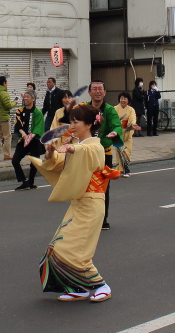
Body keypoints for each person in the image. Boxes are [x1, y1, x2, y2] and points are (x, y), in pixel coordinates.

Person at [30, 104, 115, 302]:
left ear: (88, 124)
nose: (72, 125)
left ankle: (101, 285)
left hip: (92, 205)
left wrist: (70, 147)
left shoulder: (95, 146)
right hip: (79, 204)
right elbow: (59, 162)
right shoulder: (79, 145)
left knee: (79, 249)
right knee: (59, 247)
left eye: (76, 121)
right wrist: (51, 152)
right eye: (72, 121)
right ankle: (78, 287)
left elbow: (85, 152)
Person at [80, 81, 123, 230]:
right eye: (94, 89)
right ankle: (86, 217)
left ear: (105, 92)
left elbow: (116, 124)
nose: (97, 91)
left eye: (100, 89)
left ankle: (102, 219)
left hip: (104, 153)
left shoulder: (110, 110)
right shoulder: (84, 108)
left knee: (103, 186)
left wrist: (115, 132)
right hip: (86, 153)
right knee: (84, 184)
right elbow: (76, 123)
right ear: (89, 92)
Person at [12, 91, 45, 190]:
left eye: (28, 97)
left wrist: (31, 135)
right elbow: (17, 124)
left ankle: (31, 182)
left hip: (34, 140)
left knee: (34, 162)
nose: (25, 98)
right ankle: (24, 181)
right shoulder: (20, 110)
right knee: (15, 160)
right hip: (23, 140)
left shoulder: (37, 112)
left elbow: (39, 126)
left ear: (33, 99)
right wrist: (23, 134)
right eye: (25, 97)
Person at [114, 92, 140, 177]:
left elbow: (132, 118)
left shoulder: (131, 110)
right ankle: (125, 170)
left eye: (125, 98)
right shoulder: (115, 108)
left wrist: (133, 124)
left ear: (128, 100)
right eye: (121, 98)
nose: (123, 100)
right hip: (118, 134)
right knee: (120, 152)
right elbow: (112, 119)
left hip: (127, 133)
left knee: (127, 151)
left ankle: (122, 169)